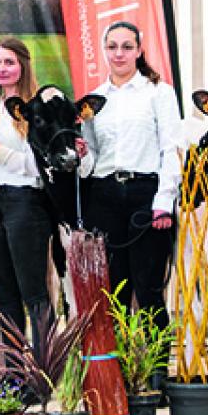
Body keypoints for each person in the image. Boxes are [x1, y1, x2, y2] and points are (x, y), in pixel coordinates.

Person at [78, 20, 181, 392]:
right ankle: (121, 373)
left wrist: (164, 202)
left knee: (149, 286)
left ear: (139, 50)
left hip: (145, 194)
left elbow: (171, 148)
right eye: (112, 47)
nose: (119, 54)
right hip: (105, 195)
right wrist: (82, 153)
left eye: (126, 46)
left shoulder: (158, 93)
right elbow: (90, 163)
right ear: (104, 51)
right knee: (114, 291)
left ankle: (156, 372)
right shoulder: (94, 99)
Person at [0, 36, 52, 354]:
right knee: (4, 293)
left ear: (23, 65)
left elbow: (39, 167)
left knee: (33, 291)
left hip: (25, 203)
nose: (1, 69)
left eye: (8, 62)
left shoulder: (37, 108)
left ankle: (45, 367)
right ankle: (16, 372)